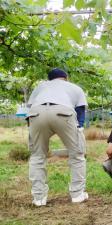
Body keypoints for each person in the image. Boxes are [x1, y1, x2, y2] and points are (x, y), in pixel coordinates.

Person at [27, 68, 88, 206]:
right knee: (77, 154)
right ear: (65, 77)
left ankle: (39, 198)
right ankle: (77, 194)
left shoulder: (40, 87)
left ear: (50, 79)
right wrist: (79, 129)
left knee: (37, 156)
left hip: (36, 114)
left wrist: (31, 129)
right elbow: (80, 110)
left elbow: (30, 107)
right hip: (63, 112)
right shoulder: (74, 87)